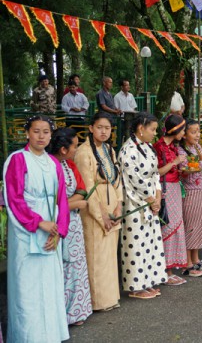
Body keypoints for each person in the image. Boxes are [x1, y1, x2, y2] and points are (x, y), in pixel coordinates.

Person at [3, 116, 70, 342]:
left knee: (49, 283)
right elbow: (14, 198)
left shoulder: (53, 162)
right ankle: (28, 337)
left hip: (51, 228)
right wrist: (38, 222)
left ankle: (50, 335)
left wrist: (59, 231)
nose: (41, 136)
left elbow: (62, 199)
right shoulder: (17, 159)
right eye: (36, 131)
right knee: (28, 286)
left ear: (51, 135)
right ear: (27, 133)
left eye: (46, 132)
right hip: (26, 229)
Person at [74, 112, 122, 311]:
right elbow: (87, 186)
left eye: (108, 128)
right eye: (100, 127)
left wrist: (119, 204)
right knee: (96, 253)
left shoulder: (110, 150)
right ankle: (97, 301)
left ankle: (110, 297)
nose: (104, 131)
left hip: (112, 201)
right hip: (96, 206)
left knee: (110, 254)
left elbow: (117, 179)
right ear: (91, 128)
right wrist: (101, 214)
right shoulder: (83, 152)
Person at [118, 112, 169, 299]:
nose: (154, 133)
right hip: (135, 202)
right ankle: (135, 287)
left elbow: (155, 173)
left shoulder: (148, 148)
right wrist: (150, 199)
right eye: (153, 129)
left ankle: (148, 281)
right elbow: (133, 178)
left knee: (150, 243)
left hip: (150, 200)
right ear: (141, 128)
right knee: (135, 244)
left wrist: (157, 197)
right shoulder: (127, 149)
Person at [48, 128, 93, 325]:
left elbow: (81, 190)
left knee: (76, 266)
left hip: (73, 222)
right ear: (64, 149)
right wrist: (73, 204)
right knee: (63, 268)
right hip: (58, 223)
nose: (77, 149)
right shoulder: (50, 166)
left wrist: (70, 202)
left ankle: (75, 312)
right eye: (74, 145)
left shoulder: (69, 164)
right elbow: (50, 202)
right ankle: (63, 315)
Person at [178, 119, 202, 275]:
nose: (197, 135)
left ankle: (195, 259)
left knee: (201, 225)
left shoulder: (198, 147)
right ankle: (187, 263)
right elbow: (186, 172)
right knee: (192, 227)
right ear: (184, 134)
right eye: (193, 132)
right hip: (192, 191)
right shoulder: (181, 151)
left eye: (198, 131)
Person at [154, 115, 189, 284]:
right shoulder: (159, 147)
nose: (184, 133)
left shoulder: (173, 147)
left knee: (176, 226)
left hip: (175, 187)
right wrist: (175, 162)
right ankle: (164, 271)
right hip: (165, 189)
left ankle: (171, 267)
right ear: (174, 130)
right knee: (167, 228)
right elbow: (157, 172)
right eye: (182, 130)